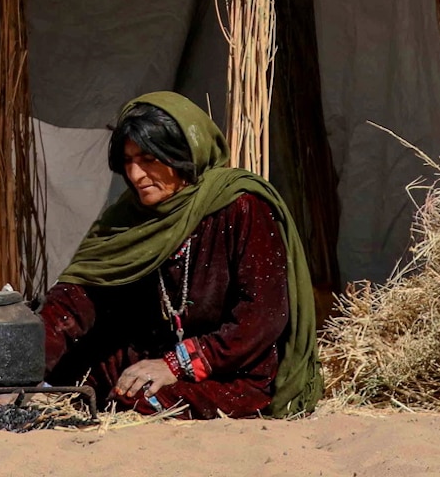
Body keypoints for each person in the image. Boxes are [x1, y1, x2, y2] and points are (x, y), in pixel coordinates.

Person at [39, 92, 322, 419]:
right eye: (128, 162)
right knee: (69, 379)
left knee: (139, 404)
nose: (136, 175)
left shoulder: (241, 208)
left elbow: (261, 318)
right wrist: (21, 356)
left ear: (184, 154)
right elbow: (79, 299)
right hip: (151, 359)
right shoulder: (128, 219)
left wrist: (176, 365)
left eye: (148, 159)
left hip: (234, 374)